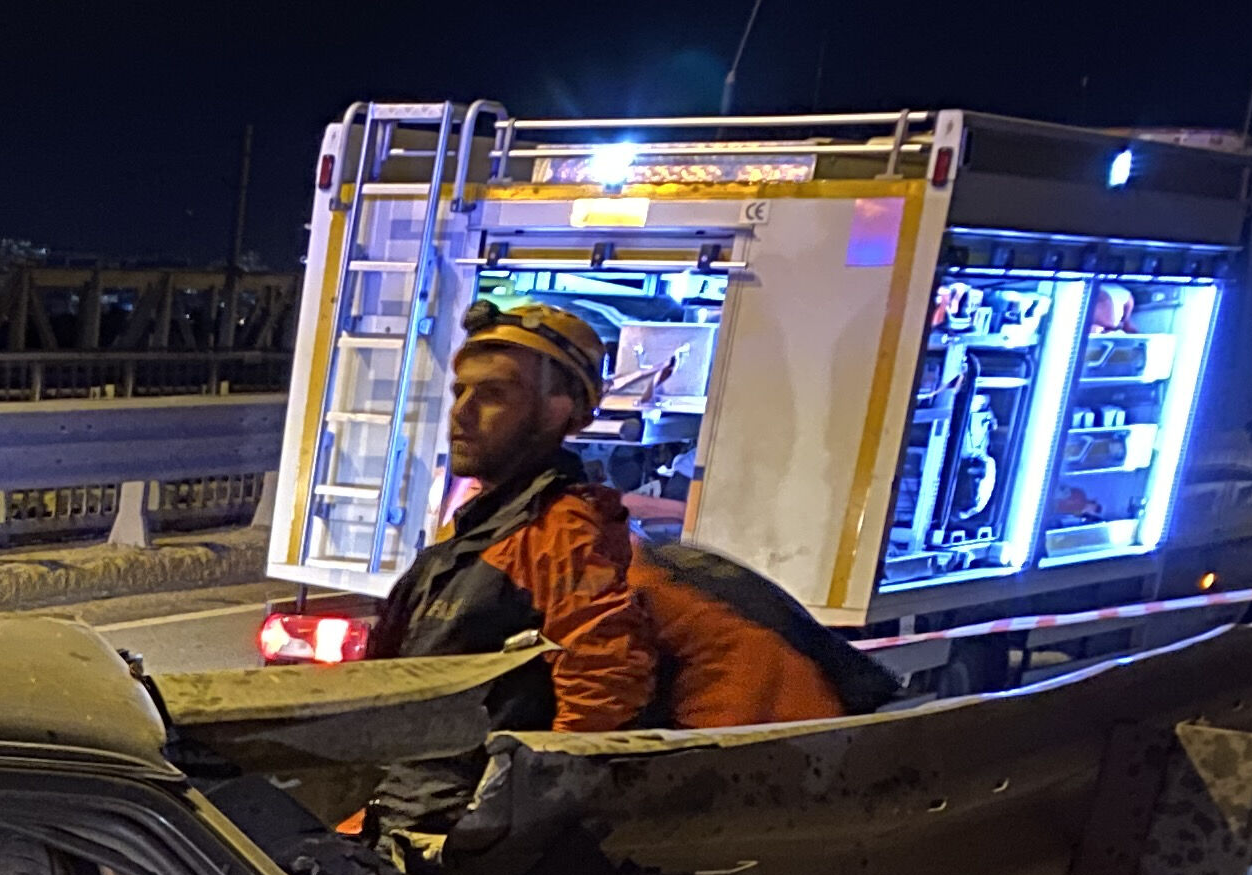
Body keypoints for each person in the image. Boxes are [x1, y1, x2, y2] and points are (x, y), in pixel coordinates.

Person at [361, 299, 885, 842]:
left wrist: (511, 834)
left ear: (562, 412)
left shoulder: (561, 534)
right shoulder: (484, 530)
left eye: (494, 394)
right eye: (461, 392)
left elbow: (600, 696)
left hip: (452, 826)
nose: (462, 412)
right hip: (415, 803)